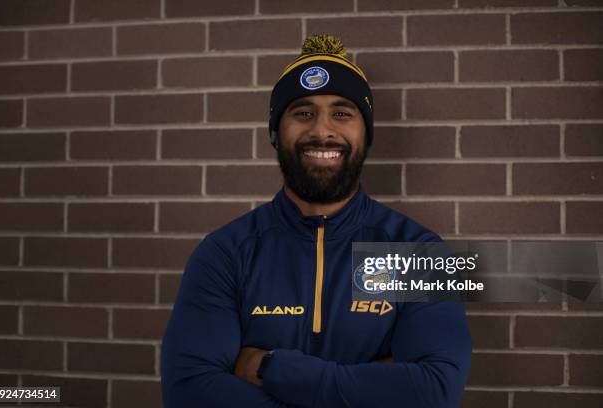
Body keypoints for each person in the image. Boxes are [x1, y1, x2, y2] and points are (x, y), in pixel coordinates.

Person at [161, 34, 472, 407]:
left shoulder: (419, 252)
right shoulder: (225, 252)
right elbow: (189, 392)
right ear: (276, 133)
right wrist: (371, 385)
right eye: (302, 113)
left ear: (365, 134)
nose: (322, 131)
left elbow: (435, 392)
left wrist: (269, 367)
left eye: (342, 113)